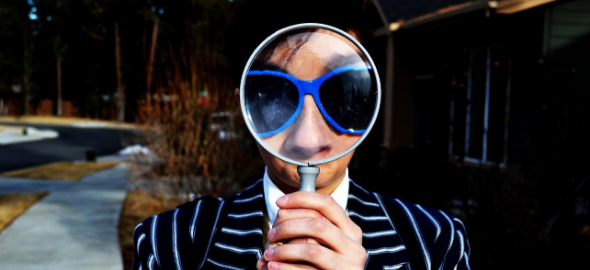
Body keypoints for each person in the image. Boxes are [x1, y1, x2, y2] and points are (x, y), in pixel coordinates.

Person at [131, 1, 471, 269]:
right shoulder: (169, 244)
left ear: (370, 97)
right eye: (277, 95)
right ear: (244, 109)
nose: (308, 139)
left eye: (339, 91)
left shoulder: (436, 244)